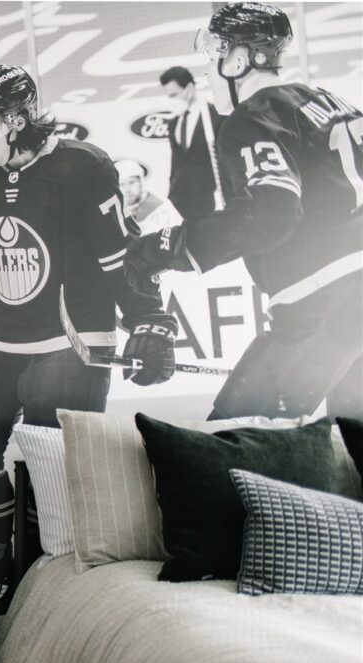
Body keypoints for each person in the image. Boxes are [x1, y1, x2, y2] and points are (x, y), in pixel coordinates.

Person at [0, 65, 177, 623]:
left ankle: (42, 579)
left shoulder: (83, 168)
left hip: (69, 338)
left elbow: (118, 255)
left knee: (48, 464)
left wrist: (152, 319)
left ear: (21, 119)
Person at [128, 3, 363, 420]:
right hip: (352, 296)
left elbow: (269, 212)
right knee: (351, 446)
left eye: (213, 57)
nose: (207, 72)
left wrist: (164, 248)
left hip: (324, 299)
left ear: (237, 61)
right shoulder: (330, 102)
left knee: (235, 442)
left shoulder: (253, 116)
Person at [159, 65, 225, 221]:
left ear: (189, 87)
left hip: (208, 200)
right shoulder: (175, 121)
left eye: (174, 95)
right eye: (169, 96)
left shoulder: (215, 115)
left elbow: (223, 158)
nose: (172, 100)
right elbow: (176, 161)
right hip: (179, 201)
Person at [116, 159, 183, 233]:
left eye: (132, 182)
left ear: (141, 182)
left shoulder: (162, 208)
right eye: (121, 184)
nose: (127, 189)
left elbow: (178, 237)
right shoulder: (114, 211)